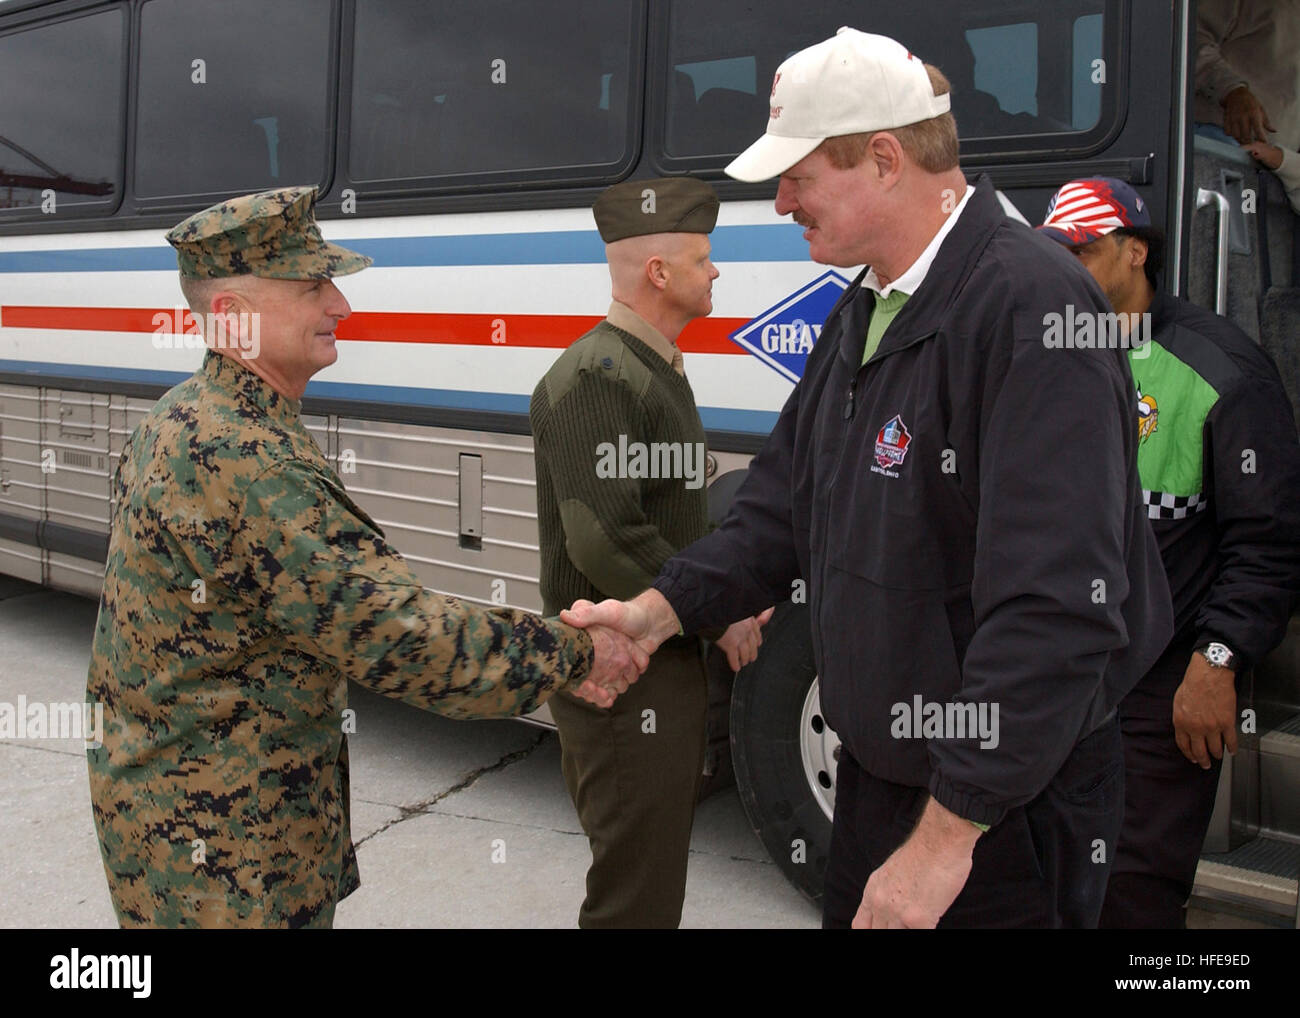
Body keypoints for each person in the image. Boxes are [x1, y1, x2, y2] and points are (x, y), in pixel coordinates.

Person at [563, 27, 1174, 929]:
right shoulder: (870, 302)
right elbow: (778, 510)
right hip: (883, 784)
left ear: (885, 159)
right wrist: (654, 615)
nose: (779, 205)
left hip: (997, 814)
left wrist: (942, 843)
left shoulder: (1031, 306)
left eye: (798, 178)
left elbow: (1057, 609)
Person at [85, 186, 646, 929]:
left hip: (186, 831)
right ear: (233, 319)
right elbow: (407, 639)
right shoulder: (244, 458)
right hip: (222, 865)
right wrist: (577, 653)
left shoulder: (187, 415)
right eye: (312, 285)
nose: (340, 305)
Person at [1037, 176, 1300, 927]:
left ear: (1136, 252)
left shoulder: (1222, 369)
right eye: (1055, 252)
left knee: (1133, 888)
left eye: (1083, 250)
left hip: (1161, 684)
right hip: (1054, 671)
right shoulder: (1045, 349)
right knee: (1046, 874)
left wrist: (1218, 660)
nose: (1065, 268)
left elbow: (1269, 542)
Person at [530, 176, 770, 928]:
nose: (717, 271)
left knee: (652, 879)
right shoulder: (600, 377)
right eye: (703, 259)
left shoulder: (650, 366)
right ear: (660, 274)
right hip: (621, 677)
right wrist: (715, 614)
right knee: (634, 897)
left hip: (654, 666)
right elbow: (607, 538)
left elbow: (666, 521)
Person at [1194, 0, 1300, 212]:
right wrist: (1233, 91)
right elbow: (1188, 40)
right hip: (1216, 146)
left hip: (1280, 174)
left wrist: (1285, 162)